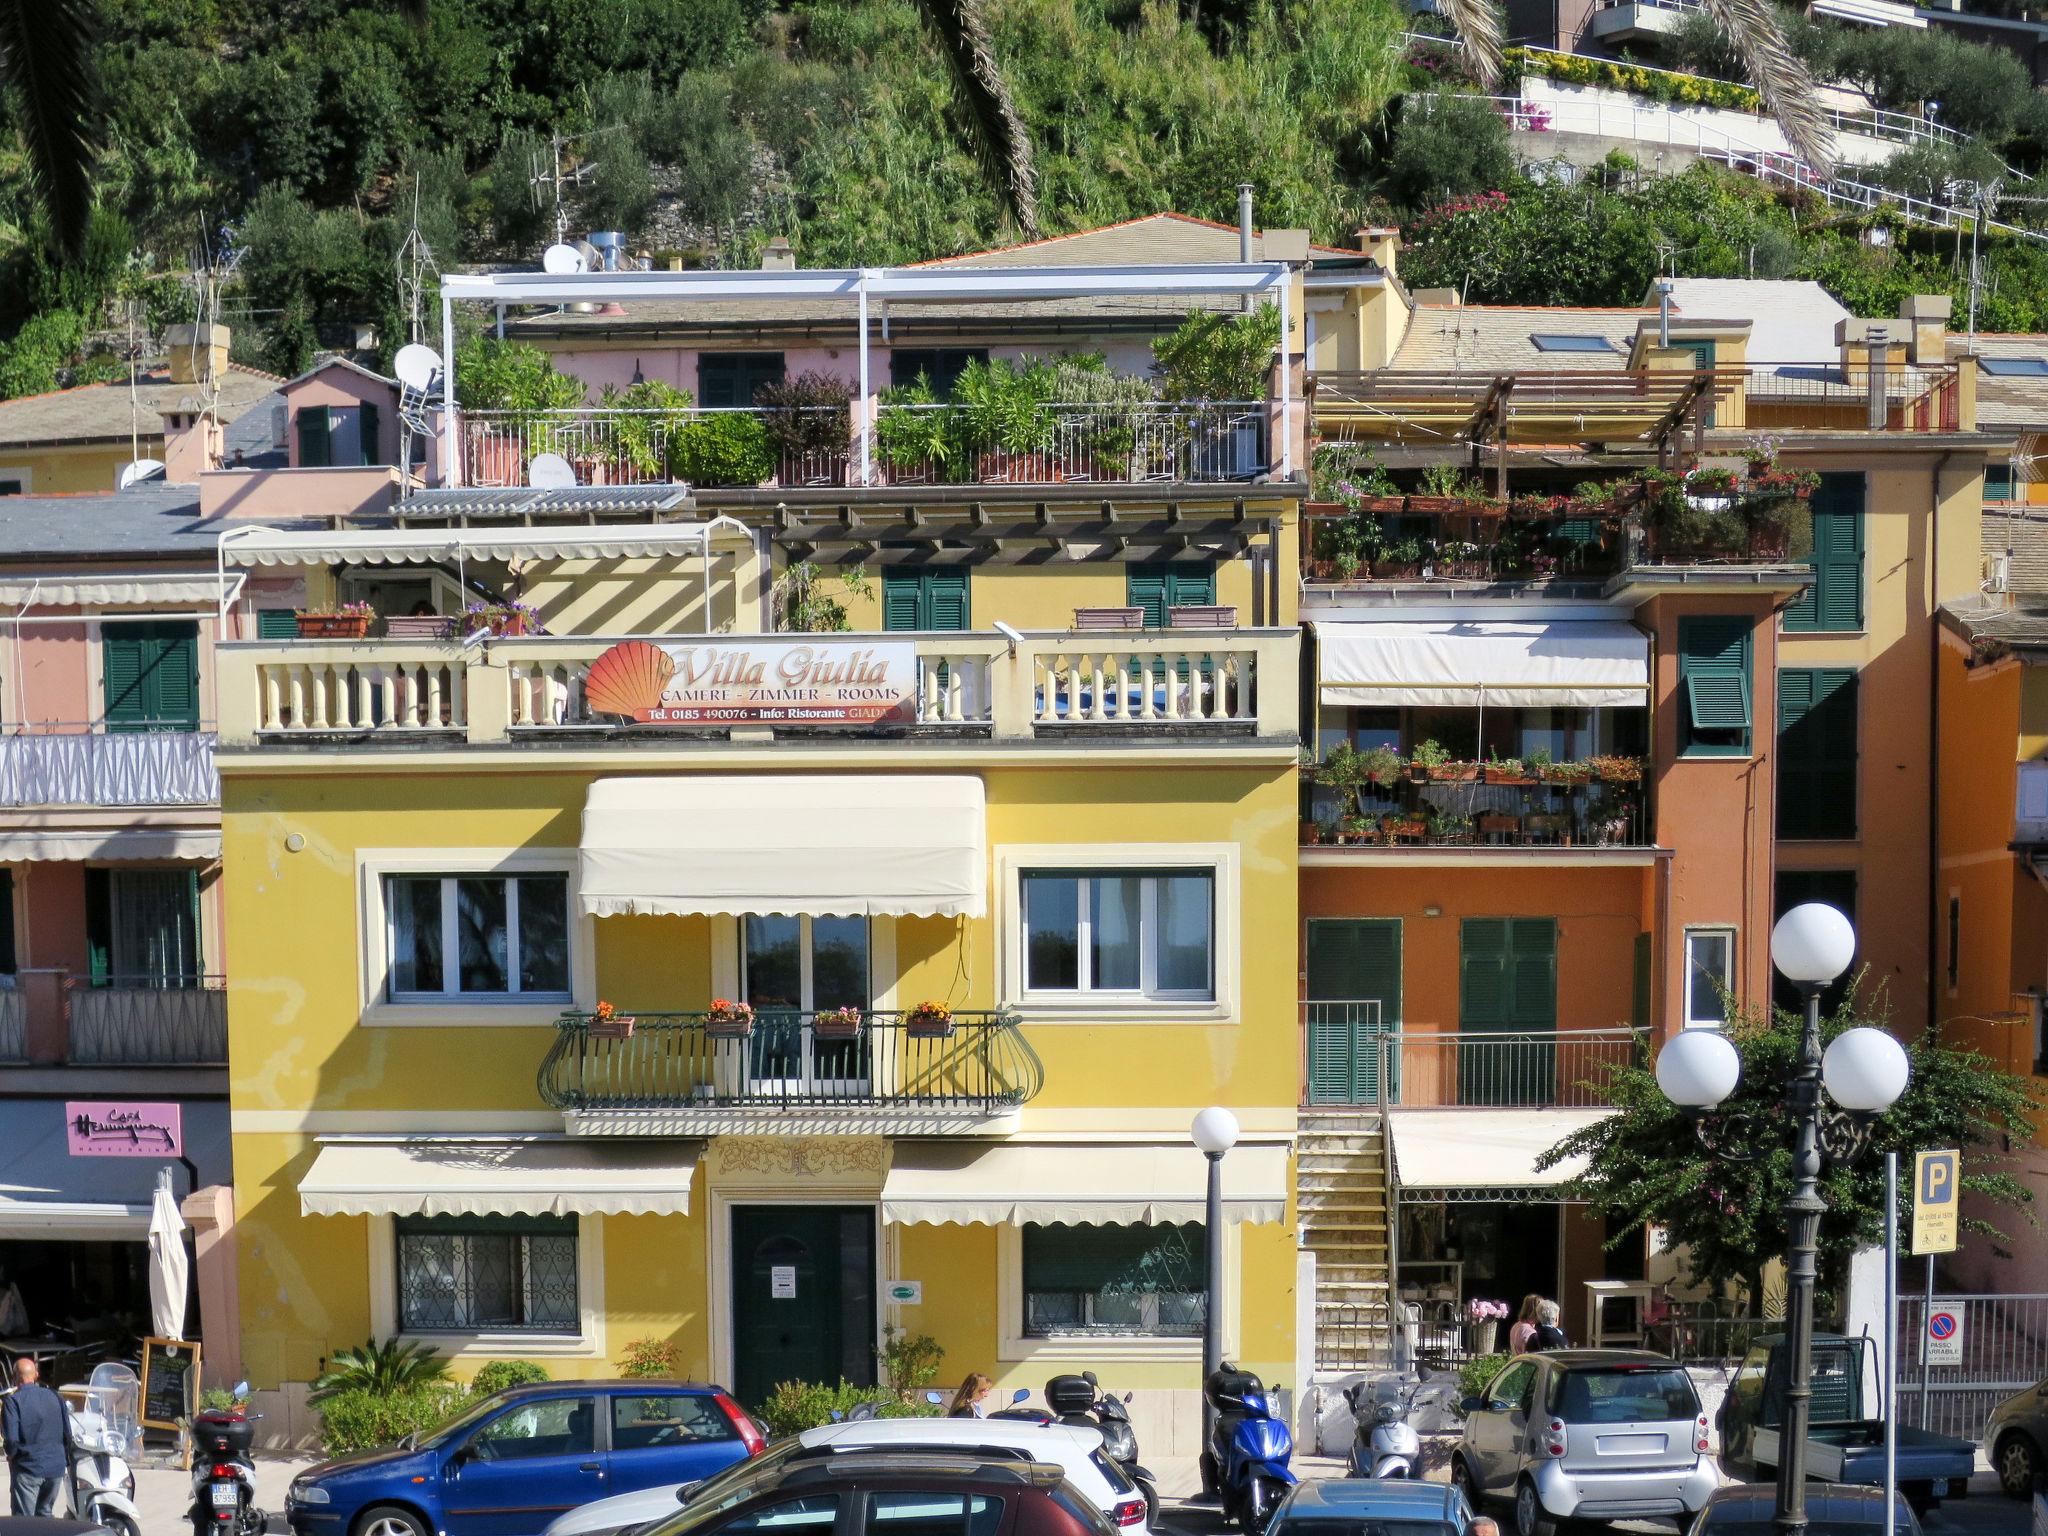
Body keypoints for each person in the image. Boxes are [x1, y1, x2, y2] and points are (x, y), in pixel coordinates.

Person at [3, 1355, 73, 1516]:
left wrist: (12, 1455)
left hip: (28, 1468)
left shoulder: (13, 1402)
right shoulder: (55, 1396)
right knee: (45, 1515)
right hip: (55, 1468)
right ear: (36, 1375)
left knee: (24, 1521)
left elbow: (12, 1439)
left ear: (15, 1378)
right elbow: (67, 1433)